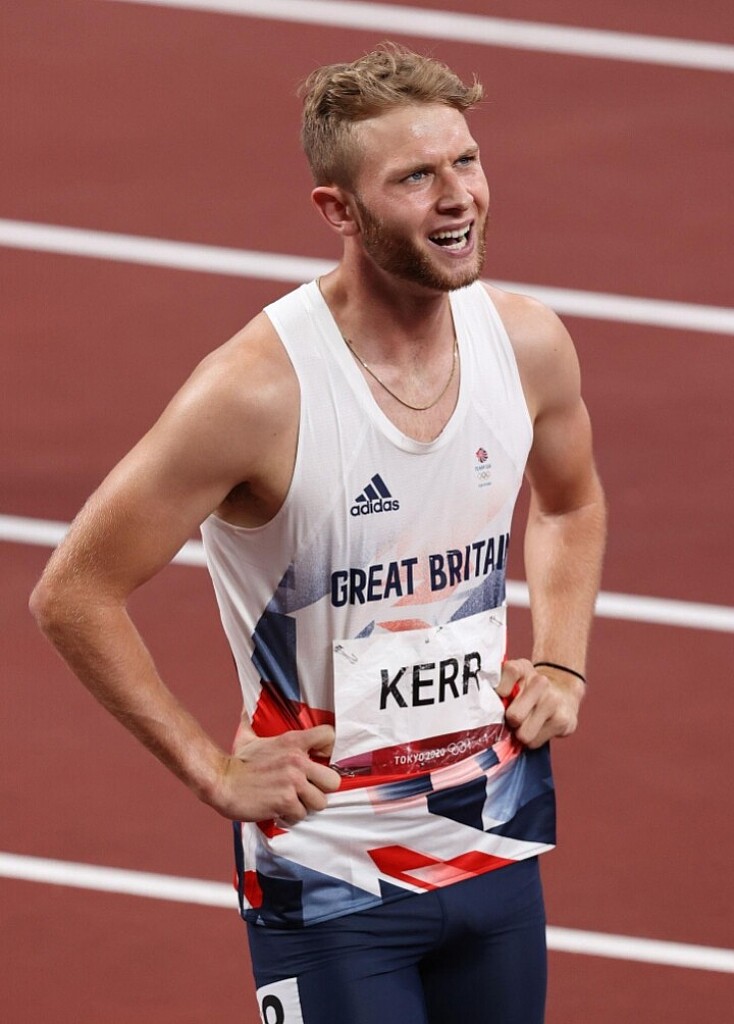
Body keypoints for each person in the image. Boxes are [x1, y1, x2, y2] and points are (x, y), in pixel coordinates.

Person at [31, 43, 606, 1024]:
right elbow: (73, 590)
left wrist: (561, 660)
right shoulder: (255, 393)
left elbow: (570, 502)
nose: (457, 198)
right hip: (330, 878)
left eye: (465, 161)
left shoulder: (526, 345)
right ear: (337, 210)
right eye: (414, 177)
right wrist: (210, 769)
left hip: (492, 841)